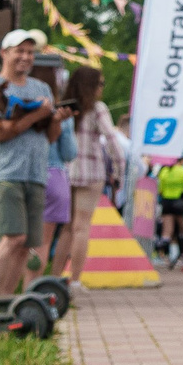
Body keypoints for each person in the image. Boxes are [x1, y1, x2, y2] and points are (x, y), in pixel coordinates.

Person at [0, 29, 62, 297]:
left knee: (27, 245)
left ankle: (8, 302)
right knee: (12, 238)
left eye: (30, 52)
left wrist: (56, 119)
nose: (25, 57)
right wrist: (36, 115)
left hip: (37, 174)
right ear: (4, 53)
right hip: (6, 173)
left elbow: (49, 137)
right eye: (19, 51)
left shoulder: (42, 89)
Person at [58, 67, 128, 287]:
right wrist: (120, 167)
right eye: (100, 84)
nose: (101, 89)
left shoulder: (64, 106)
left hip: (66, 171)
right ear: (91, 86)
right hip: (91, 173)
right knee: (82, 227)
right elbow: (111, 138)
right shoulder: (97, 109)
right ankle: (76, 280)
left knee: (66, 228)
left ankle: (53, 278)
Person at [154, 153, 183, 258]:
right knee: (182, 229)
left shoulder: (164, 171)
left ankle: (161, 253)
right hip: (179, 202)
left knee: (167, 231)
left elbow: (160, 190)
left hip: (166, 202)